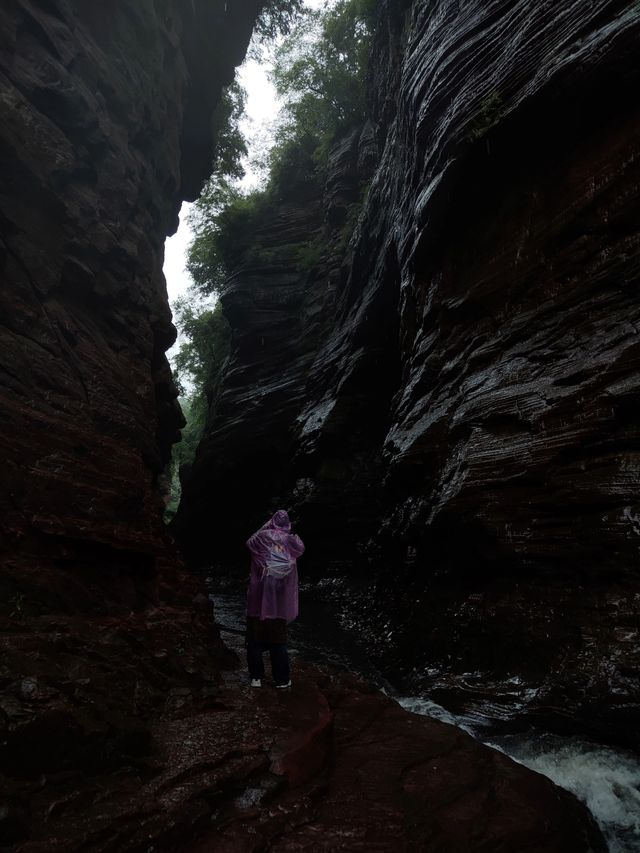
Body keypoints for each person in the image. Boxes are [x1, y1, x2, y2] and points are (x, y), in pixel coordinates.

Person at [245, 510, 304, 689]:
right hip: (279, 602)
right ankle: (282, 680)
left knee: (255, 639)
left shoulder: (262, 537)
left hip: (257, 598)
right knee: (278, 640)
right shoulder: (291, 541)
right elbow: (300, 550)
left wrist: (266, 526)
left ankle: (256, 677)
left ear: (271, 521)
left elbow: (249, 542)